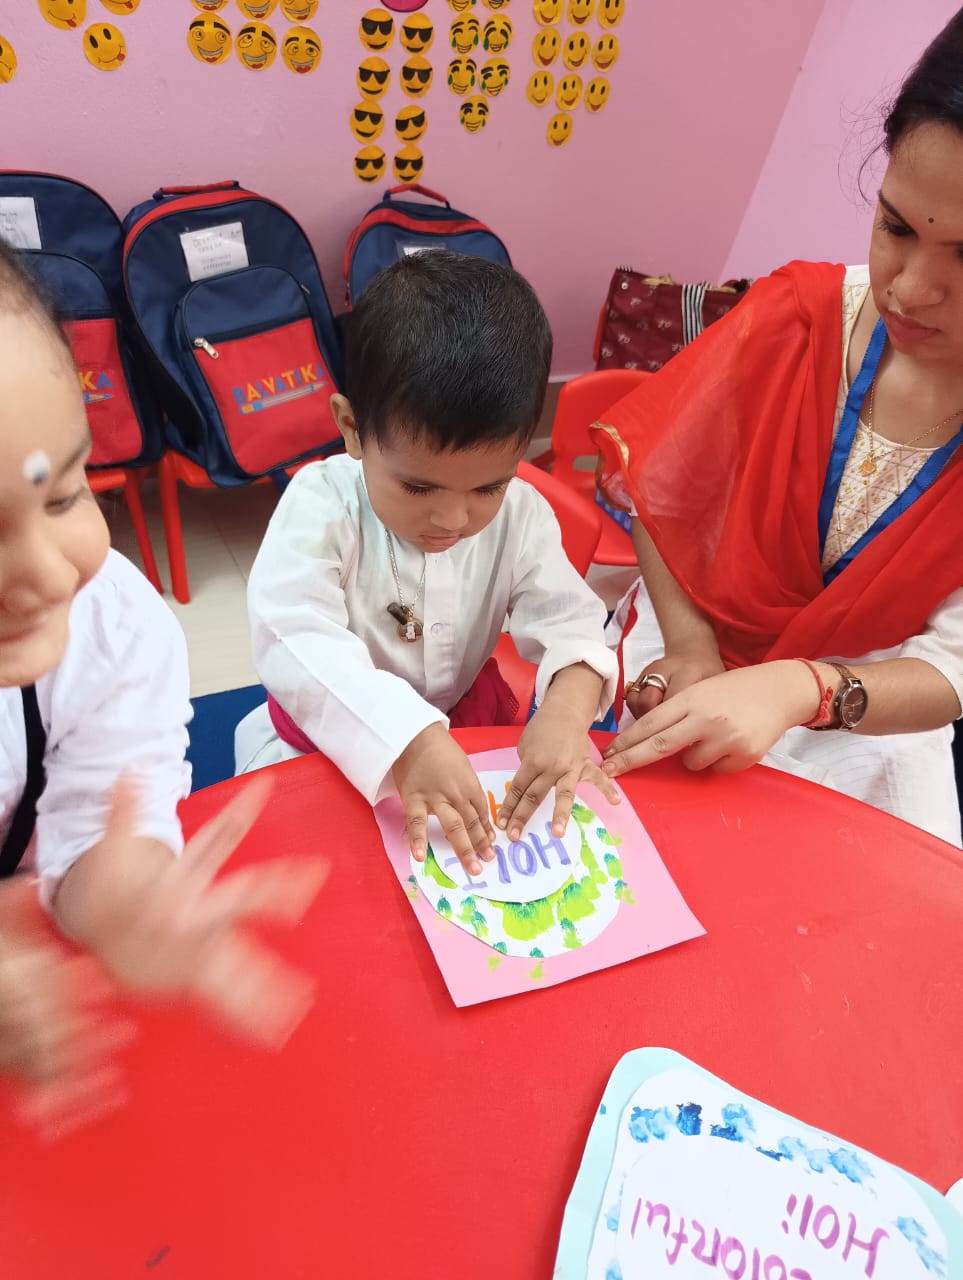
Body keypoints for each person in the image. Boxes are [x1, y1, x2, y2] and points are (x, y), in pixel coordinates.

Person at [596, 10, 963, 846]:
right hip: (692, 647)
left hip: (866, 712)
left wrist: (803, 690)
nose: (909, 291)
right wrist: (690, 646)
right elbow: (664, 493)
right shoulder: (794, 318)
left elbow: (949, 665)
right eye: (894, 227)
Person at [0, 239, 326, 1129]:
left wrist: (126, 897)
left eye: (64, 496)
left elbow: (99, 820)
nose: (47, 573)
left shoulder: (107, 624)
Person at [236, 251, 619, 874]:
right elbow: (294, 637)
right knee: (330, 872)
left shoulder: (521, 514)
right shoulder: (321, 507)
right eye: (419, 487)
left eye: (488, 486)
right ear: (352, 428)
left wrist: (569, 705)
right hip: (334, 734)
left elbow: (569, 618)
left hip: (459, 724)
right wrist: (407, 739)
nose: (453, 520)